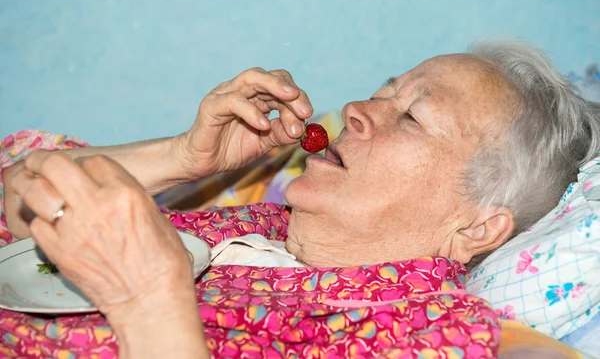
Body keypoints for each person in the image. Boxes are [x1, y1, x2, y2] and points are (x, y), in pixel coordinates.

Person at [1, 40, 598, 358]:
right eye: (382, 93)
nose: (359, 110)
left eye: (413, 118)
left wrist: (149, 303)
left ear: (476, 228)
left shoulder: (428, 334)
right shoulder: (255, 225)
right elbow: (17, 193)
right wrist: (186, 158)